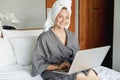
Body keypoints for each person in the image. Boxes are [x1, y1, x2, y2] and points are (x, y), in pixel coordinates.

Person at [31, 0, 100, 80]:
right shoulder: (44, 38)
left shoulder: (72, 36)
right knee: (78, 76)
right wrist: (58, 66)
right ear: (54, 16)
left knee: (90, 73)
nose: (64, 20)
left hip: (71, 68)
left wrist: (75, 65)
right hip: (54, 70)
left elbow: (77, 58)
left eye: (67, 17)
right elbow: (38, 63)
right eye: (60, 17)